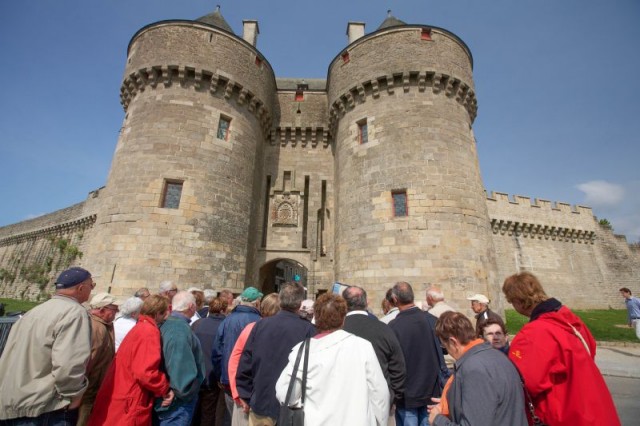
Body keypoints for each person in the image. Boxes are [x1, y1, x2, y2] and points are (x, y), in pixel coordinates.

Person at [503, 272, 620, 426]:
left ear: (518, 301)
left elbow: (524, 383)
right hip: (596, 409)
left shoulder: (535, 333)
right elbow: (590, 348)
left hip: (567, 415)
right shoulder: (568, 319)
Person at [276, 293, 389, 426]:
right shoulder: (363, 346)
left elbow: (285, 394)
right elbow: (379, 393)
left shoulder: (302, 350)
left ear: (315, 318)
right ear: (343, 318)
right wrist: (380, 421)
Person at [0, 267, 93, 425]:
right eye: (92, 286)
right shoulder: (74, 313)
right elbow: (68, 366)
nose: (92, 290)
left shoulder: (33, 312)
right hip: (44, 407)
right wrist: (74, 396)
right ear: (81, 288)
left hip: (12, 401)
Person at [428, 311, 528, 426]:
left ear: (453, 342)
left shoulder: (474, 368)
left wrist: (437, 420)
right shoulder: (495, 355)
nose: (447, 351)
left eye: (444, 346)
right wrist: (453, 401)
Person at [236, 283, 316, 425]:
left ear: (280, 300)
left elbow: (245, 362)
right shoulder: (308, 330)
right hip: (292, 409)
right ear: (299, 303)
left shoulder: (261, 325)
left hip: (261, 403)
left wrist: (247, 395)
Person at [88, 295, 174, 425]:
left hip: (122, 391)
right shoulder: (148, 331)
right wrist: (164, 388)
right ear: (157, 314)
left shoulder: (139, 326)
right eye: (164, 314)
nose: (165, 318)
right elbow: (145, 371)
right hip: (130, 397)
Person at [388, 282, 441, 426]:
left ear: (395, 299)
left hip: (407, 394)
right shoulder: (431, 320)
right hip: (431, 390)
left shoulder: (393, 327)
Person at [342, 286, 406, 406]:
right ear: (367, 302)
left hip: (345, 400)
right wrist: (392, 397)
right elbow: (398, 367)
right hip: (378, 401)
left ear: (343, 304)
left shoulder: (336, 329)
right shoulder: (383, 328)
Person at [228, 294, 280, 426]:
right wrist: (238, 394)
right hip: (249, 396)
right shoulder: (254, 328)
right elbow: (235, 360)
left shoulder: (258, 327)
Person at [212, 287, 262, 422]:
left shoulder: (228, 320)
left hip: (229, 378)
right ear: (256, 303)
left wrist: (220, 375)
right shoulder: (260, 321)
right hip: (248, 380)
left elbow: (217, 350)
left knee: (230, 417)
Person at [155, 291, 206, 425]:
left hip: (172, 399)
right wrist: (185, 392)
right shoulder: (178, 329)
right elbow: (179, 367)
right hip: (176, 404)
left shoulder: (171, 324)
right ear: (191, 306)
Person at [77, 293, 121, 426]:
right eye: (114, 309)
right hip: (87, 391)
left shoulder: (103, 325)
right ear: (102, 310)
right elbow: (88, 360)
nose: (117, 312)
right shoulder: (96, 328)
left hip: (92, 388)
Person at [191, 297, 229, 426]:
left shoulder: (197, 323)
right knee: (210, 413)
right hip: (213, 376)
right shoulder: (225, 326)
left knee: (195, 412)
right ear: (224, 310)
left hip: (196, 374)